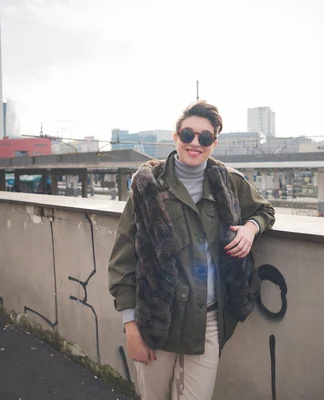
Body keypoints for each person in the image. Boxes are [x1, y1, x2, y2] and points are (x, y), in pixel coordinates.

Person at [108, 100, 275, 400]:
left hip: (208, 322)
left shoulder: (229, 182)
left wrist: (251, 229)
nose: (195, 143)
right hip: (158, 321)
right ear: (176, 138)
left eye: (205, 137)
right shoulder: (148, 186)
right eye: (187, 135)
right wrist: (130, 327)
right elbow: (122, 260)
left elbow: (265, 210)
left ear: (214, 143)